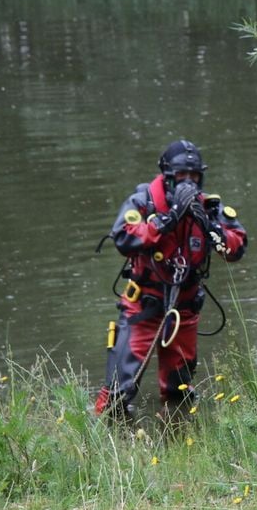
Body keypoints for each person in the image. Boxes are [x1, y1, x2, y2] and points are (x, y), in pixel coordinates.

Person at [93, 139, 248, 420]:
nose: (188, 183)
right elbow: (124, 238)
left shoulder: (208, 207)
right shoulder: (144, 201)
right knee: (118, 391)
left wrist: (211, 227)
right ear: (167, 176)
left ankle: (179, 445)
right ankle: (104, 447)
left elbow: (237, 247)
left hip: (184, 311)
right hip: (144, 307)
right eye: (181, 177)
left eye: (194, 177)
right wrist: (168, 219)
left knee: (180, 391)